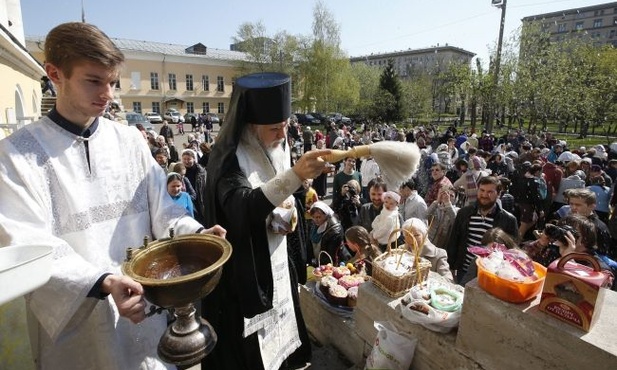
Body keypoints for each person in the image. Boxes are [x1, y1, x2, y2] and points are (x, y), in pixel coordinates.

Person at [0, 22, 225, 369]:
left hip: (144, 312)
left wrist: (196, 234)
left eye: (113, 82)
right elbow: (26, 242)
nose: (108, 94)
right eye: (93, 81)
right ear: (54, 74)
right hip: (78, 326)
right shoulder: (16, 155)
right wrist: (102, 282)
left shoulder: (131, 141)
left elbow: (163, 211)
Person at [200, 72, 332, 370]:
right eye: (274, 128)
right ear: (250, 124)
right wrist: (295, 176)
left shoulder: (279, 145)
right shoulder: (229, 158)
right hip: (245, 276)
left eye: (285, 126)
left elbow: (283, 194)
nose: (282, 135)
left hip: (278, 264)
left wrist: (292, 213)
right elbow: (243, 209)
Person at [447, 176, 519, 283]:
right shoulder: (464, 213)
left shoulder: (508, 220)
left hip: (490, 275)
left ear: (498, 194)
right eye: (482, 190)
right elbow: (454, 240)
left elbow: (512, 251)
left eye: (490, 192)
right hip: (463, 270)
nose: (485, 195)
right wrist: (451, 267)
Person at [309, 201, 349, 266]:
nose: (316, 220)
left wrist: (317, 264)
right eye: (313, 217)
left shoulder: (335, 230)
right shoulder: (315, 226)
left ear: (326, 215)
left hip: (335, 264)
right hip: (319, 262)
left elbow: (331, 255)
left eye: (319, 217)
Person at [426, 185, 459, 250]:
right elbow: (426, 216)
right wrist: (437, 200)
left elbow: (455, 222)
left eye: (451, 196)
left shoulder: (457, 210)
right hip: (429, 242)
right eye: (446, 195)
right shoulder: (436, 207)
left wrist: (448, 204)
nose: (448, 197)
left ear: (456, 198)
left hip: (443, 247)